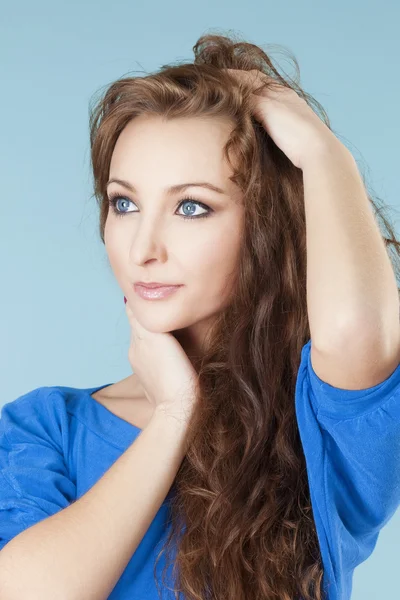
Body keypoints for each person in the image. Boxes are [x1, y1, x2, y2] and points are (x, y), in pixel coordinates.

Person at [1, 32, 400, 600]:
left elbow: (357, 330)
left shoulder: (320, 426)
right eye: (124, 203)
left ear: (266, 230)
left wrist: (320, 152)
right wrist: (174, 414)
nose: (143, 247)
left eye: (191, 207)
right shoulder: (45, 427)